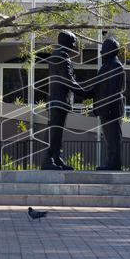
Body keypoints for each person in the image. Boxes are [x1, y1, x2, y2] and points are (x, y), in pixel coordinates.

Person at [42, 30, 88, 170]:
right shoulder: (62, 56)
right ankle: (48, 160)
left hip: (58, 100)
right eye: (72, 42)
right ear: (67, 42)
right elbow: (68, 80)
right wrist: (85, 93)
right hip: (59, 100)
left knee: (57, 131)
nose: (74, 46)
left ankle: (56, 158)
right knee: (55, 131)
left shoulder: (57, 55)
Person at [91, 37, 126, 171]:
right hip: (105, 109)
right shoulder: (105, 66)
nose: (101, 53)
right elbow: (97, 88)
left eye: (104, 50)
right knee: (109, 138)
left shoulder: (116, 67)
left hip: (111, 110)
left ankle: (114, 164)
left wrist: (104, 107)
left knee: (113, 138)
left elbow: (112, 91)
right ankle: (110, 162)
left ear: (110, 51)